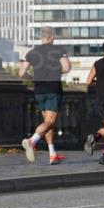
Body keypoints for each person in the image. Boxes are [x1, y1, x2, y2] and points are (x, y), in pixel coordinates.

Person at [19, 27, 71, 165]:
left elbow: (22, 72)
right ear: (52, 37)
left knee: (47, 123)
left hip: (39, 90)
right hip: (53, 88)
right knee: (50, 122)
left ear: (41, 37)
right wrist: (54, 72)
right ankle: (32, 141)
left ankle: (52, 153)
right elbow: (66, 68)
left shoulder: (32, 52)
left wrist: (33, 76)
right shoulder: (59, 50)